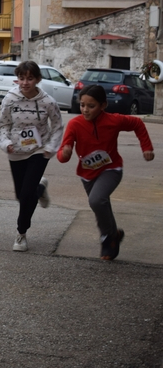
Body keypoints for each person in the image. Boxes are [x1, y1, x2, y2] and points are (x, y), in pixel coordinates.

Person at [58, 85, 155, 260]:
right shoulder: (75, 124)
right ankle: (114, 234)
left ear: (103, 106)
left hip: (111, 169)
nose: (85, 110)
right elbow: (64, 151)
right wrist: (64, 153)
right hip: (86, 174)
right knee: (100, 206)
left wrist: (146, 147)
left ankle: (106, 238)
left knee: (97, 200)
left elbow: (138, 123)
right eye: (82, 105)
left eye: (91, 106)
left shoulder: (113, 121)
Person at [0, 60, 64, 252]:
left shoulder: (48, 102)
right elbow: (2, 124)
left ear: (37, 79)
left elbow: (57, 126)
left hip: (38, 150)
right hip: (15, 151)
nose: (25, 82)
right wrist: (6, 143)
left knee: (26, 194)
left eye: (30, 78)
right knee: (21, 195)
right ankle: (40, 188)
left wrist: (50, 147)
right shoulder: (10, 99)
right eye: (21, 78)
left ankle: (21, 234)